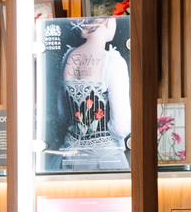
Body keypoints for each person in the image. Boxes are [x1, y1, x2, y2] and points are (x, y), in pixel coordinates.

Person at [47, 17, 131, 171]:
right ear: (108, 22)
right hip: (104, 159)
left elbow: (63, 112)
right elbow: (120, 128)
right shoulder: (113, 60)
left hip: (69, 157)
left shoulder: (69, 56)